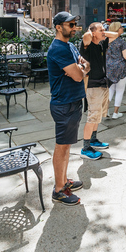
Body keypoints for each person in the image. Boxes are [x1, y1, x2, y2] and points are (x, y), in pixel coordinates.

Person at [47, 11, 90, 205]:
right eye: (70, 25)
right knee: (62, 146)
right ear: (58, 27)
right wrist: (79, 69)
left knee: (67, 146)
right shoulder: (58, 49)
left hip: (73, 101)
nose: (74, 28)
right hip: (64, 104)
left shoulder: (70, 46)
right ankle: (58, 189)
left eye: (74, 25)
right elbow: (80, 75)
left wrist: (80, 68)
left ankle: (64, 181)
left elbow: (85, 66)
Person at [79, 22, 120, 159]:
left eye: (104, 29)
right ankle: (85, 148)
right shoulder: (87, 46)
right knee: (92, 117)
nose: (104, 31)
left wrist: (101, 33)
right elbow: (86, 35)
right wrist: (95, 32)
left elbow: (116, 34)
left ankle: (93, 140)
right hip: (93, 86)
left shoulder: (102, 44)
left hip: (103, 84)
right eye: (101, 29)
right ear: (93, 32)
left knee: (98, 116)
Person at [106, 21, 126, 119]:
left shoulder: (106, 41)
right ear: (117, 29)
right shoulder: (121, 42)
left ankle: (106, 110)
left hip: (109, 68)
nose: (122, 28)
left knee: (110, 90)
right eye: (121, 27)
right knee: (120, 90)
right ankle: (116, 113)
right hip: (120, 68)